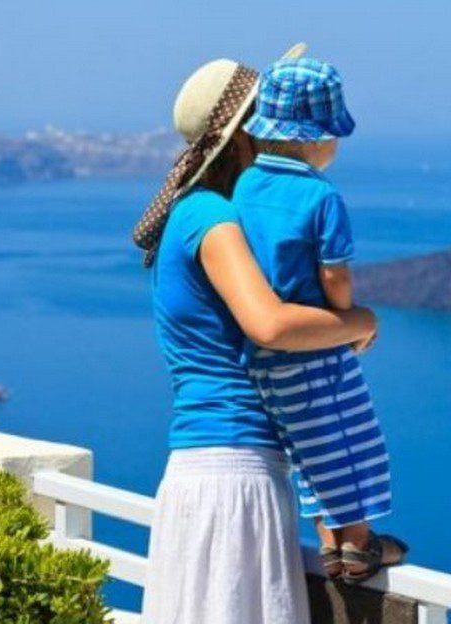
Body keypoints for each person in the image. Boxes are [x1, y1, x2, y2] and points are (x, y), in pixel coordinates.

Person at [133, 44, 378, 624]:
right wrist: (361, 322)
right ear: (247, 134)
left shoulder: (189, 213)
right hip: (235, 473)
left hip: (203, 470)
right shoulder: (212, 218)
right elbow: (269, 325)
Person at [235, 56, 407, 584]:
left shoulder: (244, 187)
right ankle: (358, 545)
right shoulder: (321, 195)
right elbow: (335, 275)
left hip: (263, 354)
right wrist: (348, 320)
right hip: (315, 344)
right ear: (318, 139)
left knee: (306, 446)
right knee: (348, 440)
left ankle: (330, 545)